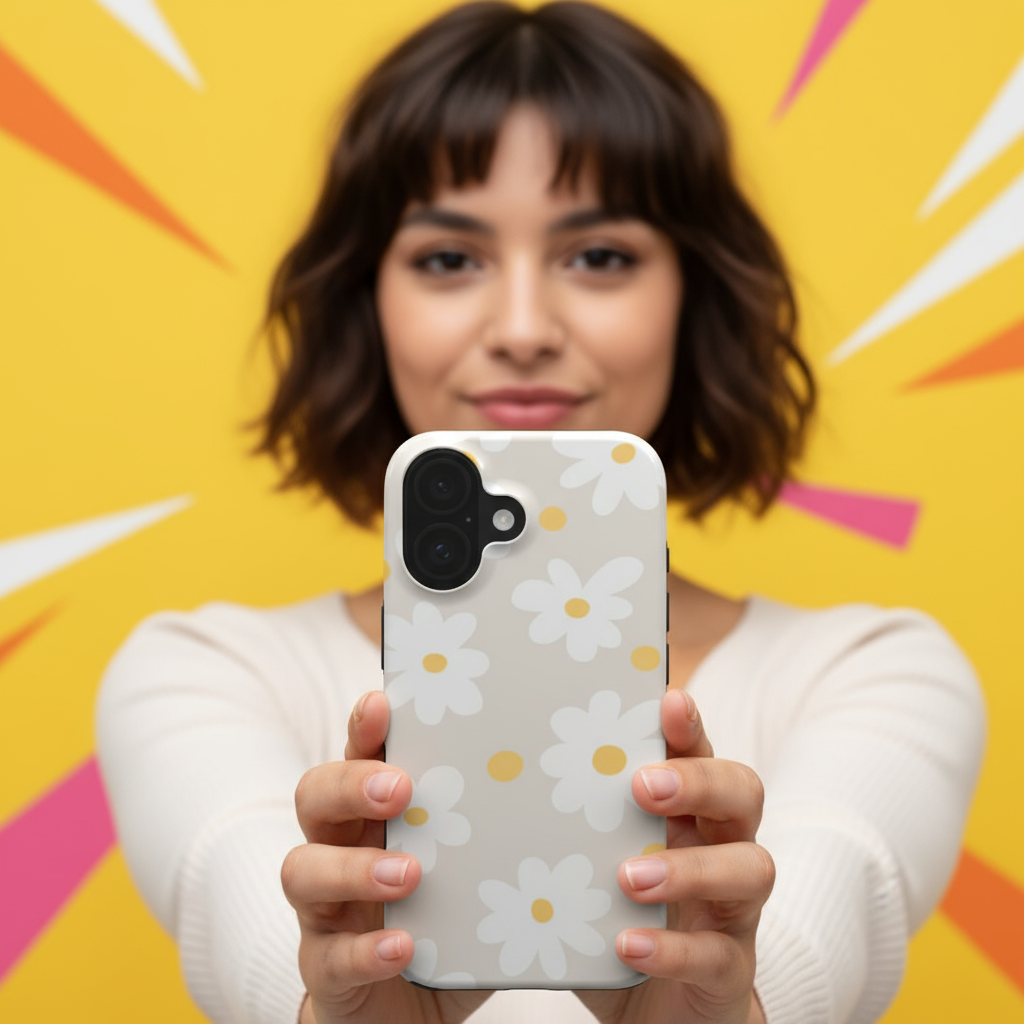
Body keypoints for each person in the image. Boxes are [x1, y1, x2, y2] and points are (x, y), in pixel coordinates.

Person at [95, 4, 986, 1024]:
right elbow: (249, 920)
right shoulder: (201, 672)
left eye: (599, 255)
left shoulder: (873, 670)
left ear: (693, 295)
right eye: (448, 258)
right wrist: (350, 1001)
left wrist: (714, 1005)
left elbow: (825, 923)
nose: (522, 329)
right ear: (365, 300)